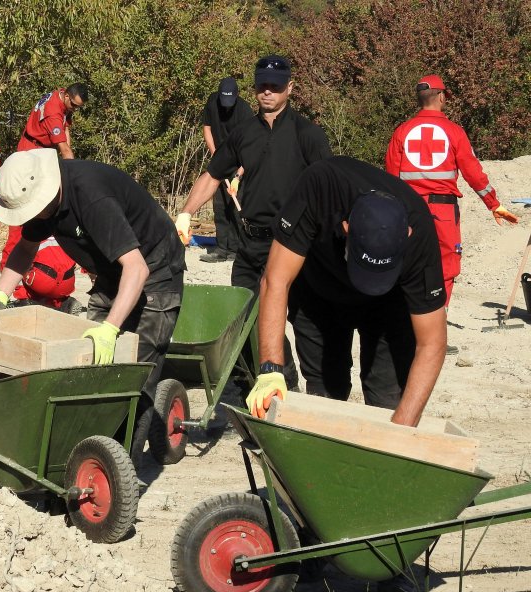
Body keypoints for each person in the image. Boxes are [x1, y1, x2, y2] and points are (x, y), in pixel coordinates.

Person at [0, 149, 185, 463]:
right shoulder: (47, 204)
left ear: (45, 194)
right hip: (111, 267)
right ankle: (80, 451)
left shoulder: (91, 199)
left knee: (136, 373)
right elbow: (25, 249)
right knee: (88, 363)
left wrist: (109, 329)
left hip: (154, 267)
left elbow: (138, 269)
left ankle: (117, 469)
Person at [247, 156, 447, 427]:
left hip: (387, 307)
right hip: (319, 294)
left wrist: (401, 429)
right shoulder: (320, 187)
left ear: (407, 234)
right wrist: (270, 370)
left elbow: (432, 342)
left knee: (388, 401)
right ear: (346, 228)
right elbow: (275, 280)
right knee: (326, 395)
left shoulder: (420, 232)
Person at [176, 54, 332, 390]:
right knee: (246, 320)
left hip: (296, 246)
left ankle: (321, 398)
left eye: (276, 86)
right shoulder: (242, 133)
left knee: (308, 326)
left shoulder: (308, 134)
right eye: (262, 84)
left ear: (290, 88)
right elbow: (212, 175)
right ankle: (271, 386)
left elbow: (330, 186)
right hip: (251, 246)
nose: (268, 91)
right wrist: (186, 212)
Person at [385, 74, 517, 305]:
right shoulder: (454, 132)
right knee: (446, 264)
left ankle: (407, 320)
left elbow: (390, 179)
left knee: (408, 260)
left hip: (409, 210)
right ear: (441, 97)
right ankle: (437, 327)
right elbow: (473, 174)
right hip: (443, 211)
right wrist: (494, 204)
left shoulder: (401, 132)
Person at [0, 83, 89, 308]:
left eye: (78, 108)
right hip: (32, 156)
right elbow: (64, 148)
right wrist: (75, 179)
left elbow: (67, 136)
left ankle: (44, 292)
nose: (74, 110)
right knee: (21, 227)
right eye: (73, 105)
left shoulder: (61, 99)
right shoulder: (52, 111)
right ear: (66, 96)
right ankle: (16, 292)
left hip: (41, 155)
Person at [198, 77, 254, 263]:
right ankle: (222, 248)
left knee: (237, 207)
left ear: (237, 96)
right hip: (220, 157)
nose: (227, 106)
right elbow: (207, 128)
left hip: (240, 162)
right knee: (220, 206)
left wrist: (238, 175)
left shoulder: (245, 111)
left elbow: (251, 147)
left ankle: (238, 250)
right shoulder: (213, 102)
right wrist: (216, 156)